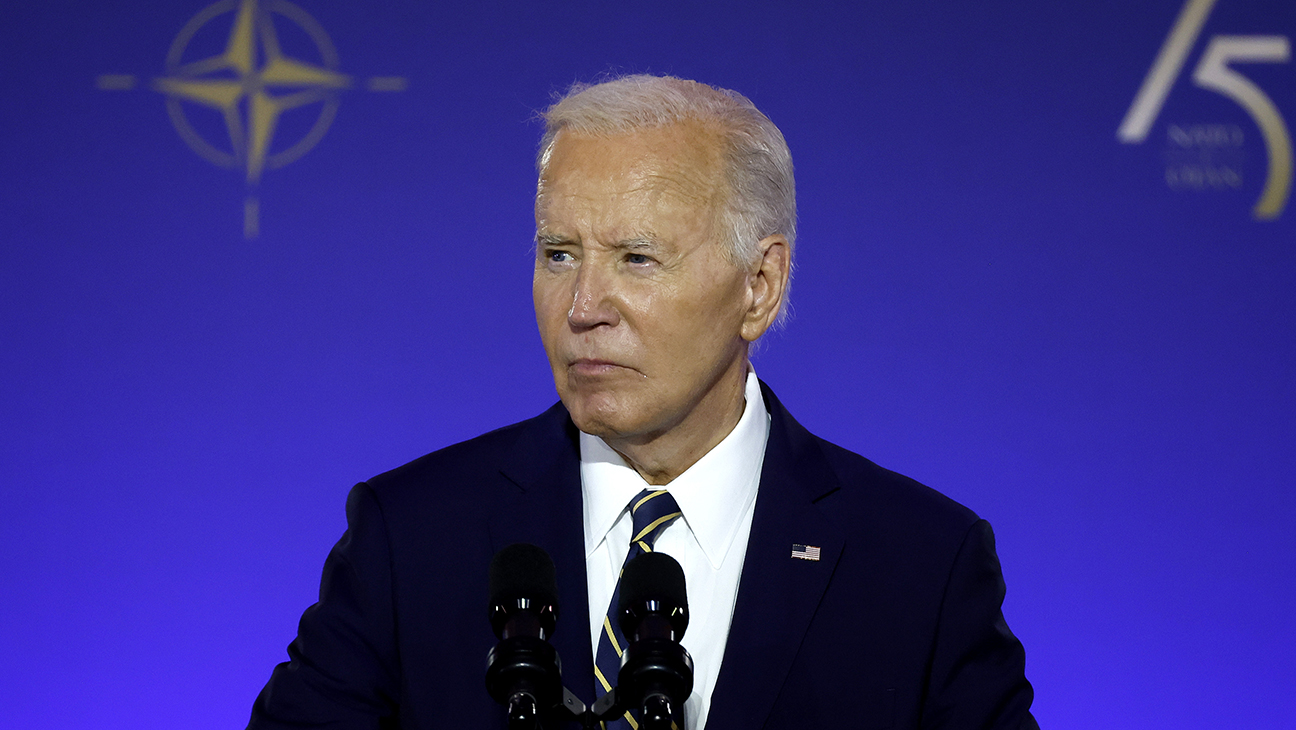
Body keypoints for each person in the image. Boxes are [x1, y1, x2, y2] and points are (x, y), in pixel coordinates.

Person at [248, 74, 1037, 730]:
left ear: (759, 287)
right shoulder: (411, 539)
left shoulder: (920, 567)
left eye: (637, 258)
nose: (585, 304)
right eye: (559, 254)